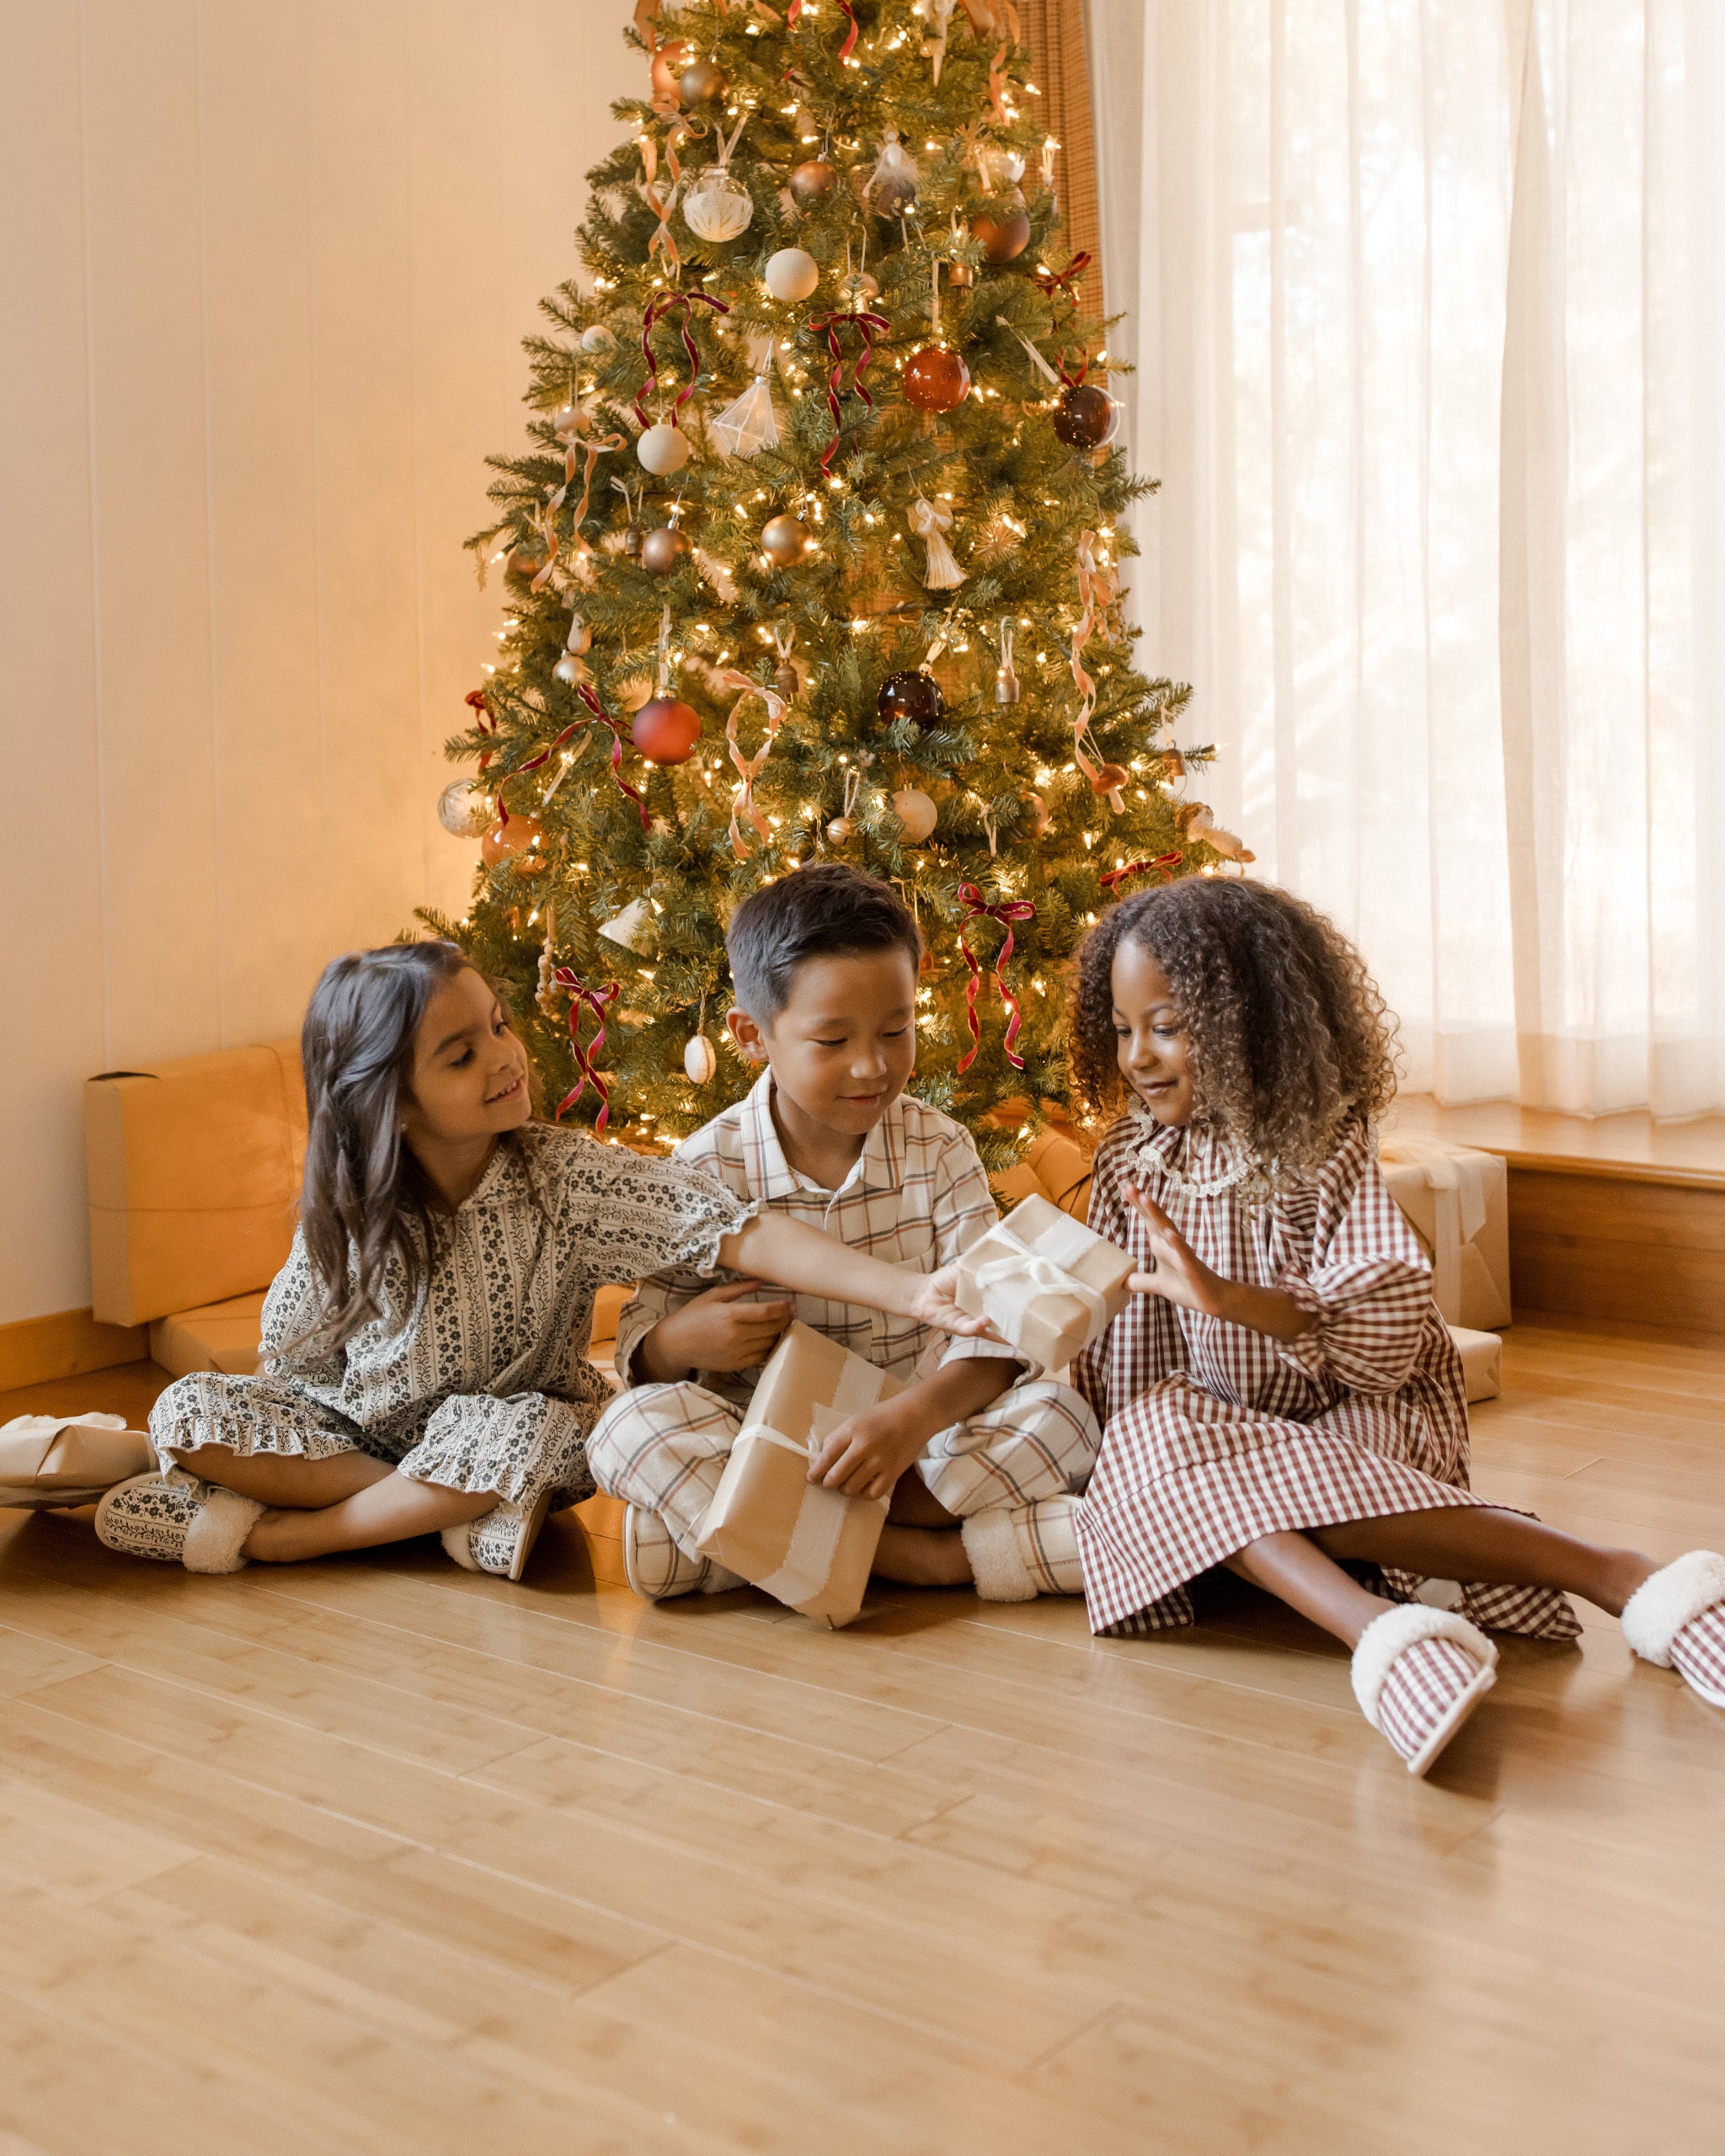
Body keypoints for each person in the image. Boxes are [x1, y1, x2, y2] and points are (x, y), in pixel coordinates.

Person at [1068, 876, 1725, 1775]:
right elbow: (1131, 1361)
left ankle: (1616, 1572)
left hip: (1360, 1412)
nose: (1138, 1055)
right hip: (1226, 1430)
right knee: (1146, 1438)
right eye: (1121, 1027)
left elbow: (1377, 1347)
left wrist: (1231, 1299)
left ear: (1250, 1019)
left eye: (1169, 1025)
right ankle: (1386, 1639)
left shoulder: (1319, 1141)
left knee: (1251, 1478)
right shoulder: (1127, 1158)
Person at [95, 941, 996, 1582]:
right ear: (390, 1106)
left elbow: (736, 1229)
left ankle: (297, 1542)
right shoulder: (350, 1215)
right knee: (185, 1408)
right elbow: (293, 1369)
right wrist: (276, 1440)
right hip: (361, 1443)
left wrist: (915, 1291)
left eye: (496, 1025)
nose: (505, 1057)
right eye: (462, 1052)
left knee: (544, 1433)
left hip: (513, 1431)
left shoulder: (560, 1177)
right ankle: (435, 1515)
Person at [585, 865, 1100, 1605]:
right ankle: (923, 1560)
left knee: (1061, 1417)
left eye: (896, 1031)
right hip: (762, 1439)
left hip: (915, 1442)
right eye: (831, 1040)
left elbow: (994, 1337)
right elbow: (643, 1345)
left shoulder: (939, 1147)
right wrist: (680, 1343)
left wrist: (906, 1422)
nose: (873, 1066)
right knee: (625, 1428)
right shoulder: (704, 1166)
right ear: (751, 1036)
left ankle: (765, 1545)